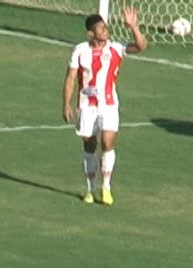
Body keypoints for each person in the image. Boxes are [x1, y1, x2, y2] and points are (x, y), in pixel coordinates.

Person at [62, 7, 147, 205]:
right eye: (101, 28)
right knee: (90, 145)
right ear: (91, 33)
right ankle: (91, 189)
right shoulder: (80, 51)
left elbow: (141, 46)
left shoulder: (115, 48)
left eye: (105, 26)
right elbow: (71, 77)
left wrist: (134, 26)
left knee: (107, 142)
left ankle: (106, 187)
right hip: (86, 106)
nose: (105, 30)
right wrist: (66, 103)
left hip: (109, 105)